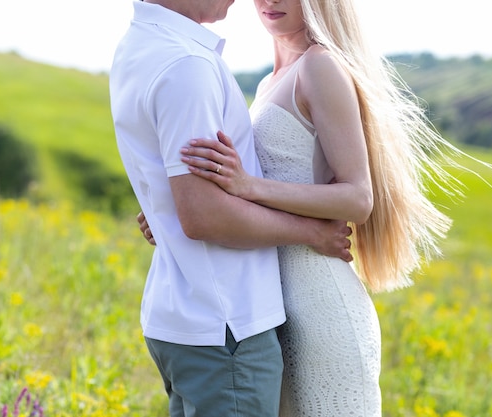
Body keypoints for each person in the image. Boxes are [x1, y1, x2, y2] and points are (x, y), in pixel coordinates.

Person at [165, 0, 488, 415]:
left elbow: (358, 197)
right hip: (273, 304)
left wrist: (249, 186)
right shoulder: (268, 83)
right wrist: (170, 210)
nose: (269, 1)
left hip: (320, 301)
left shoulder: (320, 67)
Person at [108, 1, 354, 416]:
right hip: (226, 323)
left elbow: (177, 188)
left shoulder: (139, 44)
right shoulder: (187, 64)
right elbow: (205, 215)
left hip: (186, 316)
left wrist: (166, 211)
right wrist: (312, 233)